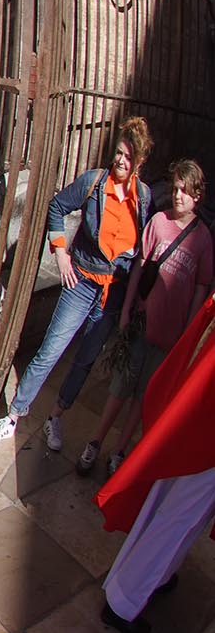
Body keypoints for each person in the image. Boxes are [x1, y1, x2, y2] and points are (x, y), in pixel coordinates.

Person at [0, 118, 154, 447]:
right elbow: (57, 206)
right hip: (81, 283)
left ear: (140, 161)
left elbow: (143, 251)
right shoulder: (94, 182)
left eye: (129, 156)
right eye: (119, 153)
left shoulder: (144, 199)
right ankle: (14, 416)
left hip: (113, 294)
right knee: (50, 351)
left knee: (85, 360)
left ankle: (55, 417)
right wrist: (60, 253)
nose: (121, 160)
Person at [77, 159, 213, 476]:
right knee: (120, 387)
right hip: (142, 322)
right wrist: (126, 309)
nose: (178, 196)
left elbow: (200, 288)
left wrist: (188, 333)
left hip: (171, 333)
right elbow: (139, 267)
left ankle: (119, 451)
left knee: (145, 395)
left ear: (197, 195)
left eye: (185, 191)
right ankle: (95, 442)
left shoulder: (203, 239)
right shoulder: (158, 223)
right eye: (175, 188)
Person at [93, 289, 215, 633]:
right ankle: (124, 601)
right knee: (180, 515)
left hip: (199, 408)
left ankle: (150, 576)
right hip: (206, 421)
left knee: (175, 505)